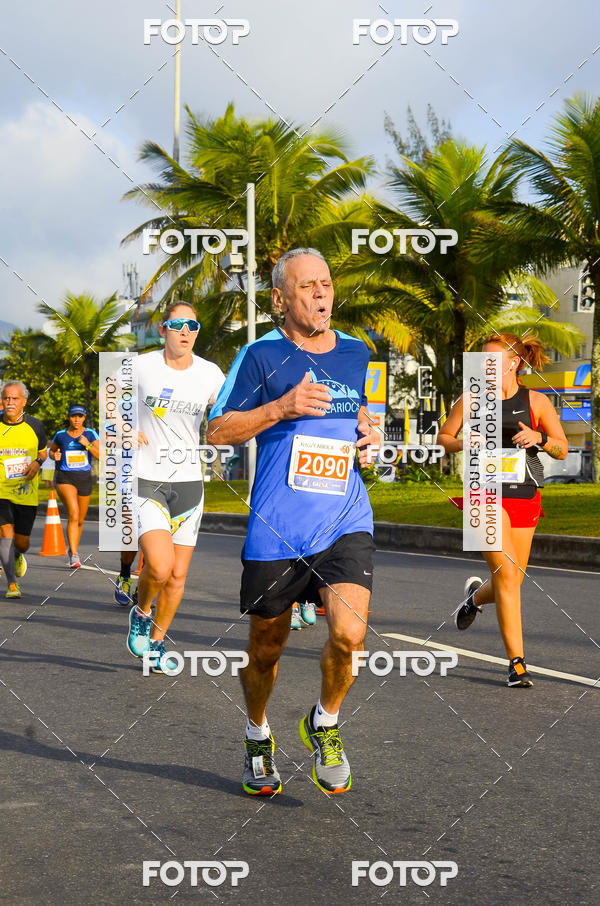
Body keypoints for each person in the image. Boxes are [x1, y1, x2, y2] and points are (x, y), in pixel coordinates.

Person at [208, 248, 380, 796]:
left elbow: (359, 415)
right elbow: (217, 430)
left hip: (345, 517)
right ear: (280, 299)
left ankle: (324, 722)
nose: (322, 294)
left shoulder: (358, 352)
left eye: (326, 283)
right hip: (278, 526)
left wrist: (368, 436)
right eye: (308, 287)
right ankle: (258, 734)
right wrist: (280, 407)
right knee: (266, 648)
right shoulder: (260, 355)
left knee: (350, 634)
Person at [438, 333, 568, 687]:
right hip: (483, 494)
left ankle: (474, 599)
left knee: (512, 579)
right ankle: (517, 664)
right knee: (509, 578)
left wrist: (539, 439)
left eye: (492, 361)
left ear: (513, 363)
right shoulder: (472, 400)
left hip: (524, 494)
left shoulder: (537, 401)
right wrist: (465, 441)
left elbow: (562, 449)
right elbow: (444, 439)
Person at [126, 301, 225, 671]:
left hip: (189, 482)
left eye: (193, 325)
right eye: (178, 324)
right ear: (164, 328)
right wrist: (121, 427)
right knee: (161, 566)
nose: (185, 331)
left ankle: (156, 643)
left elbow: (227, 414)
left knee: (179, 575)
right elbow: (111, 403)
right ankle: (142, 609)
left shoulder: (211, 374)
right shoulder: (140, 366)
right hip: (146, 477)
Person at [0, 381, 47, 598]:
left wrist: (37, 462)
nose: (10, 402)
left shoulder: (35, 426)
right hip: (1, 492)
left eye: (14, 398)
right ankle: (12, 584)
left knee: (21, 542)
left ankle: (18, 555)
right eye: (6, 398)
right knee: (5, 534)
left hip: (26, 493)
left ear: (24, 402)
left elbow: (43, 452)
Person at [49, 404, 99, 568]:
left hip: (84, 478)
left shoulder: (90, 434)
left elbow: (101, 456)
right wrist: (54, 455)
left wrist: (88, 445)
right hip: (65, 477)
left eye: (80, 416)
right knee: (74, 514)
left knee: (80, 519)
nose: (76, 420)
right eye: (73, 416)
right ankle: (75, 555)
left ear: (84, 417)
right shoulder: (61, 435)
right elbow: (52, 451)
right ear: (69, 417)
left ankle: (72, 549)